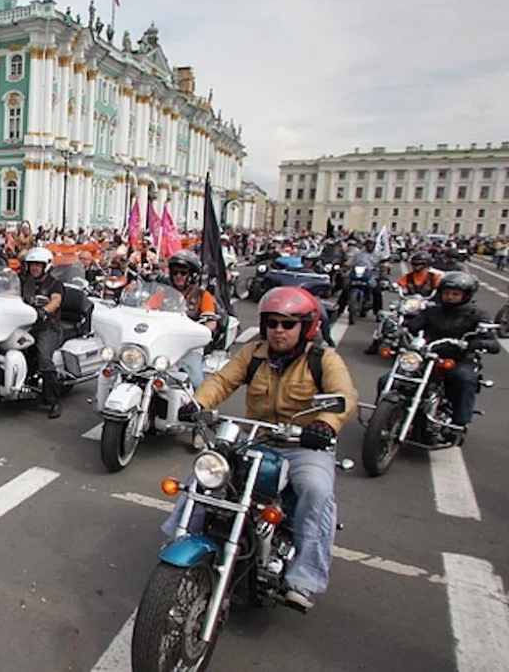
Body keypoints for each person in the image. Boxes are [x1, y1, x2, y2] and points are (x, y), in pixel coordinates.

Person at [173, 286, 358, 612]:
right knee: (206, 473)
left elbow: (344, 395)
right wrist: (198, 402)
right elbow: (223, 380)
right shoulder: (253, 354)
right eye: (272, 323)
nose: (278, 331)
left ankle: (304, 578)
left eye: (288, 324)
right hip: (257, 437)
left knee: (316, 491)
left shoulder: (323, 359)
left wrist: (325, 425)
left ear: (307, 327)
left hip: (303, 444)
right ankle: (180, 536)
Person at [382, 272, 500, 438]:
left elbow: (493, 344)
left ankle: (459, 425)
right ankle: (382, 420)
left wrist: (475, 343)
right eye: (447, 293)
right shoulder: (432, 311)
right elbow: (412, 326)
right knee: (388, 379)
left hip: (459, 358)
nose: (450, 297)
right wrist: (397, 330)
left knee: (463, 379)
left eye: (455, 294)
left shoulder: (477, 315)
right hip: (429, 355)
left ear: (465, 296)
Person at [21, 247, 64, 418]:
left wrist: (44, 311)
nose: (34, 268)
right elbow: (11, 294)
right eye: (32, 265)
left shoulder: (55, 284)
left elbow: (56, 301)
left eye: (38, 265)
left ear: (46, 266)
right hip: (25, 325)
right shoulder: (25, 282)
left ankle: (53, 401)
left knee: (44, 358)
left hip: (48, 327)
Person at [166, 251, 217, 388]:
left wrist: (202, 330)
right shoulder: (164, 293)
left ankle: (198, 405)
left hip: (189, 346)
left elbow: (211, 322)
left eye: (183, 273)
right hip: (164, 344)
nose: (178, 276)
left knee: (196, 380)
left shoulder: (202, 295)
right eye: (175, 272)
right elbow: (145, 307)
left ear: (192, 275)